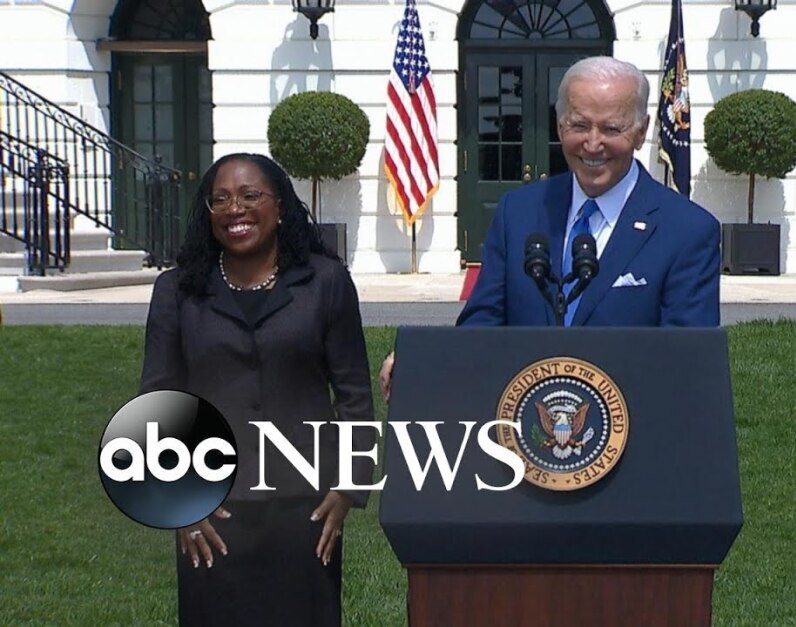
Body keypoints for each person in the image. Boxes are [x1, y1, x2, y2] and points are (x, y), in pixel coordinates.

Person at [380, 56, 720, 396]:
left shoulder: (687, 230)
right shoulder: (518, 212)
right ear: (559, 125)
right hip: (522, 418)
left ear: (641, 131)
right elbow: (481, 328)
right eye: (579, 126)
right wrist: (425, 367)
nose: (593, 143)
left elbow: (686, 363)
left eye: (611, 129)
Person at [139, 153, 374, 626]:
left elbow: (354, 394)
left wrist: (348, 488)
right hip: (211, 509)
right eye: (221, 199)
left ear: (280, 206)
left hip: (306, 507)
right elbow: (158, 400)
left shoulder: (325, 282)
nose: (235, 210)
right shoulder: (177, 291)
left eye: (250, 196)